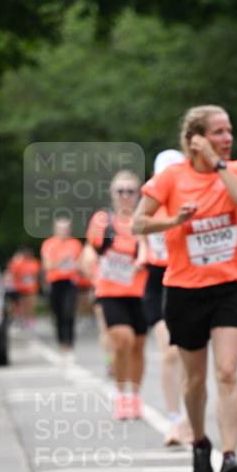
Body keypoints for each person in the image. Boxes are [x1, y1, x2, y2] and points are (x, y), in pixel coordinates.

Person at [133, 104, 237, 472]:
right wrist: (173, 222)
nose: (227, 138)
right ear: (195, 139)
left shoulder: (234, 170)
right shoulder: (171, 178)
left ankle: (231, 456)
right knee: (196, 379)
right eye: (218, 132)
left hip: (231, 285)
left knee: (227, 371)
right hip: (184, 289)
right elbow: (137, 222)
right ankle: (201, 443)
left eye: (229, 130)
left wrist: (218, 163)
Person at [139, 149, 192, 446]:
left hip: (186, 280)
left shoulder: (194, 203)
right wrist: (141, 253)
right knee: (170, 353)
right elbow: (138, 234)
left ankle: (188, 417)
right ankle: (173, 420)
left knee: (189, 356)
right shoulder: (150, 205)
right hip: (157, 282)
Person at [86, 171, 147, 420]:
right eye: (120, 191)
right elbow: (91, 250)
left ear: (138, 194)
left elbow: (148, 248)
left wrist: (142, 260)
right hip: (110, 290)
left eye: (130, 191)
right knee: (123, 340)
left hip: (139, 291)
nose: (125, 196)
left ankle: (135, 396)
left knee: (138, 347)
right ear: (113, 194)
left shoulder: (143, 220)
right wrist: (91, 264)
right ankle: (121, 395)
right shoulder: (103, 220)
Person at [40, 214, 82, 356]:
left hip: (70, 282)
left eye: (66, 229)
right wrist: (61, 261)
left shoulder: (75, 244)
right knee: (58, 314)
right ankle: (61, 342)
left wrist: (75, 265)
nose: (64, 231)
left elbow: (80, 264)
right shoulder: (49, 244)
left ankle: (69, 343)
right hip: (55, 283)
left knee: (69, 313)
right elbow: (47, 265)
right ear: (55, 229)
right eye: (61, 229)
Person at [6, 248, 40, 326]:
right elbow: (12, 273)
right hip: (19, 288)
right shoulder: (17, 263)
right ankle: (21, 319)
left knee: (30, 305)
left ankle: (30, 320)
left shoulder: (34, 263)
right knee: (19, 305)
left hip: (31, 288)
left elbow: (35, 274)